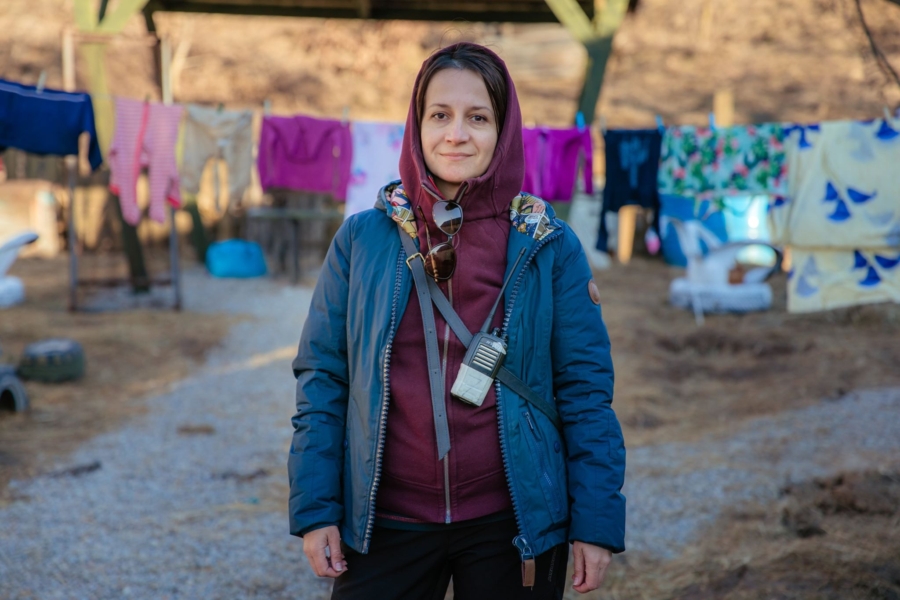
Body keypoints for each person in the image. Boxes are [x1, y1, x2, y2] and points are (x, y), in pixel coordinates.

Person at [288, 42, 626, 599]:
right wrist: (316, 508)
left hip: (512, 523)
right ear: (417, 125)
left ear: (504, 130)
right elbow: (323, 378)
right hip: (386, 522)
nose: (456, 134)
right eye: (440, 115)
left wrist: (596, 520)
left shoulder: (548, 244)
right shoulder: (361, 240)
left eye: (478, 118)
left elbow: (585, 391)